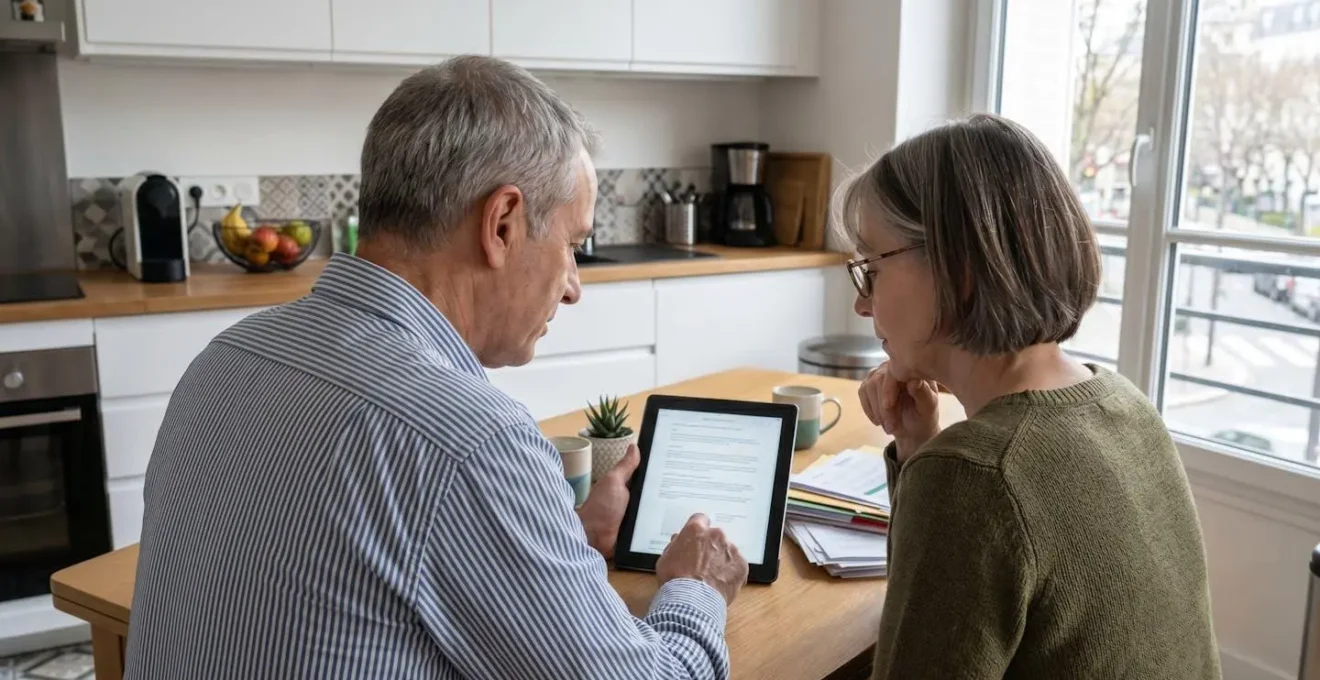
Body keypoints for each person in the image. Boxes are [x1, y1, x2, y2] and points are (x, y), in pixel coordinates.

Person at [124, 55, 747, 680]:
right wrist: (697, 588)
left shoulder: (227, 358)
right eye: (573, 246)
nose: (573, 287)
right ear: (501, 223)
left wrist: (558, 543)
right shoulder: (470, 440)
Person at [845, 114, 1221, 678]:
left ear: (958, 268)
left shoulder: (973, 477)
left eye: (869, 269)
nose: (863, 305)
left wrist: (936, 466)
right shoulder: (1124, 405)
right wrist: (919, 446)